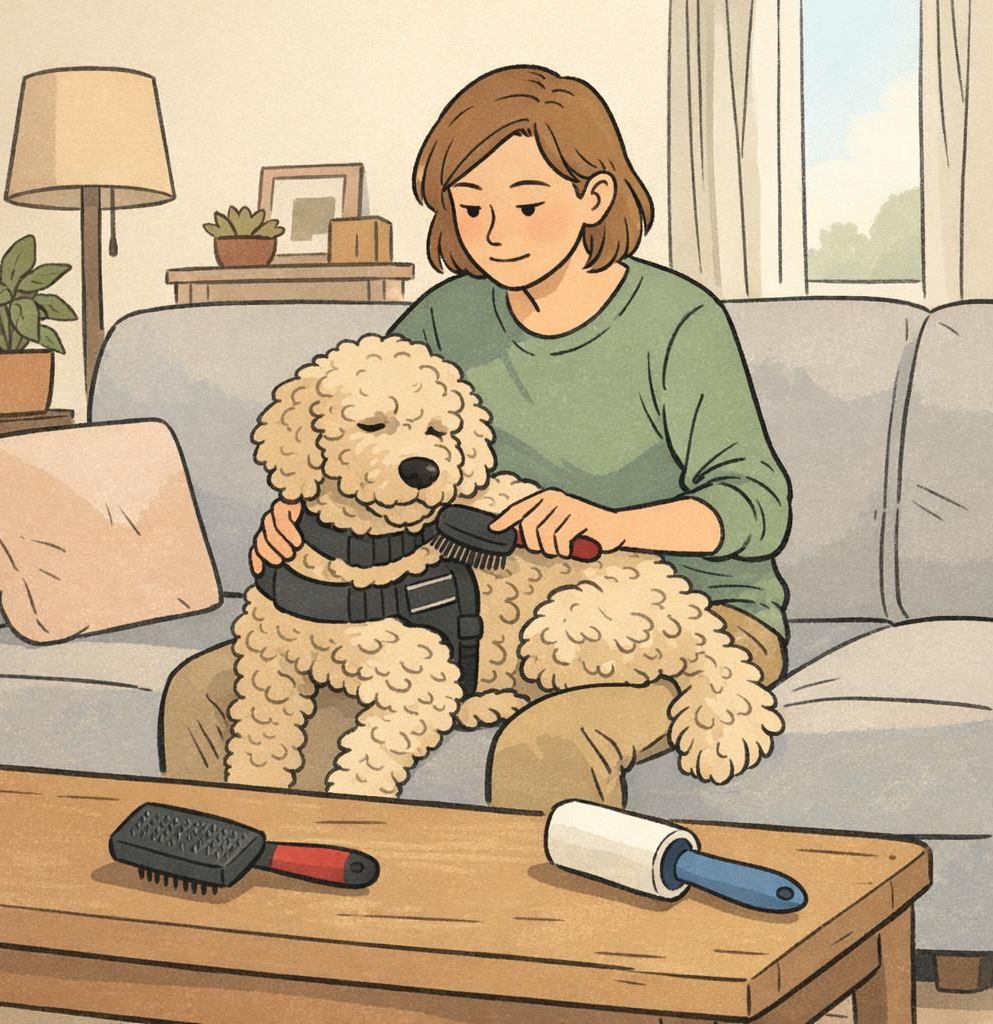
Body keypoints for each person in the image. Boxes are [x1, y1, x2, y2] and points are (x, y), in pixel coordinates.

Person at [161, 65, 791, 812]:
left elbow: (758, 506)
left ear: (594, 198)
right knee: (204, 691)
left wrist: (613, 526)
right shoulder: (445, 317)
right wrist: (301, 518)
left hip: (689, 609)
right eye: (471, 208)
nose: (497, 234)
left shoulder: (676, 320)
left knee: (544, 744)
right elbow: (356, 441)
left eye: (528, 205)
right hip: (461, 612)